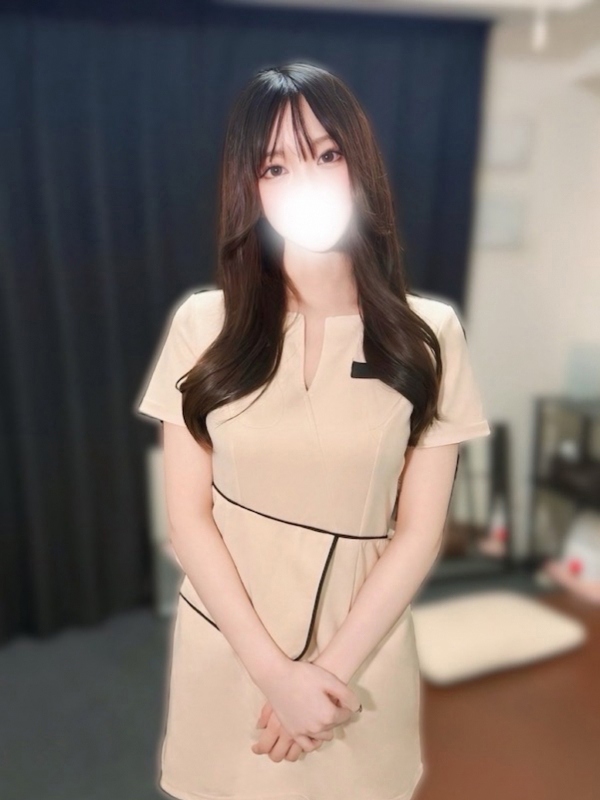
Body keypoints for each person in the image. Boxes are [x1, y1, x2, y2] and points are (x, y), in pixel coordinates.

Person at [135, 61, 491, 800]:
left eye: (327, 154)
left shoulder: (430, 334)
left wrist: (322, 680)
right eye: (276, 165)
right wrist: (276, 676)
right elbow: (188, 518)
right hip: (231, 643)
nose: (307, 180)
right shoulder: (202, 324)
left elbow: (420, 531)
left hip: (357, 661)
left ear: (360, 166)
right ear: (251, 187)